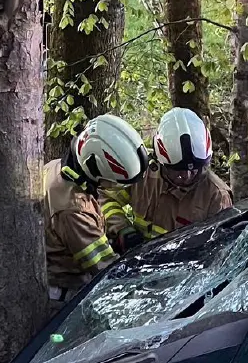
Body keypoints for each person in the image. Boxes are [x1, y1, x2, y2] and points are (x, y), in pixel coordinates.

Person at [44, 114, 147, 310]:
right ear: (94, 168)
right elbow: (105, 269)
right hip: (63, 295)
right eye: (114, 183)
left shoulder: (59, 167)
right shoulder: (73, 210)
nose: (115, 188)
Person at [101, 108, 232, 252]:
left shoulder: (216, 196)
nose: (187, 175)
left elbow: (220, 249)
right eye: (179, 169)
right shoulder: (143, 175)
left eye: (195, 168)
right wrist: (122, 228)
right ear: (161, 162)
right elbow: (105, 197)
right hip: (137, 259)